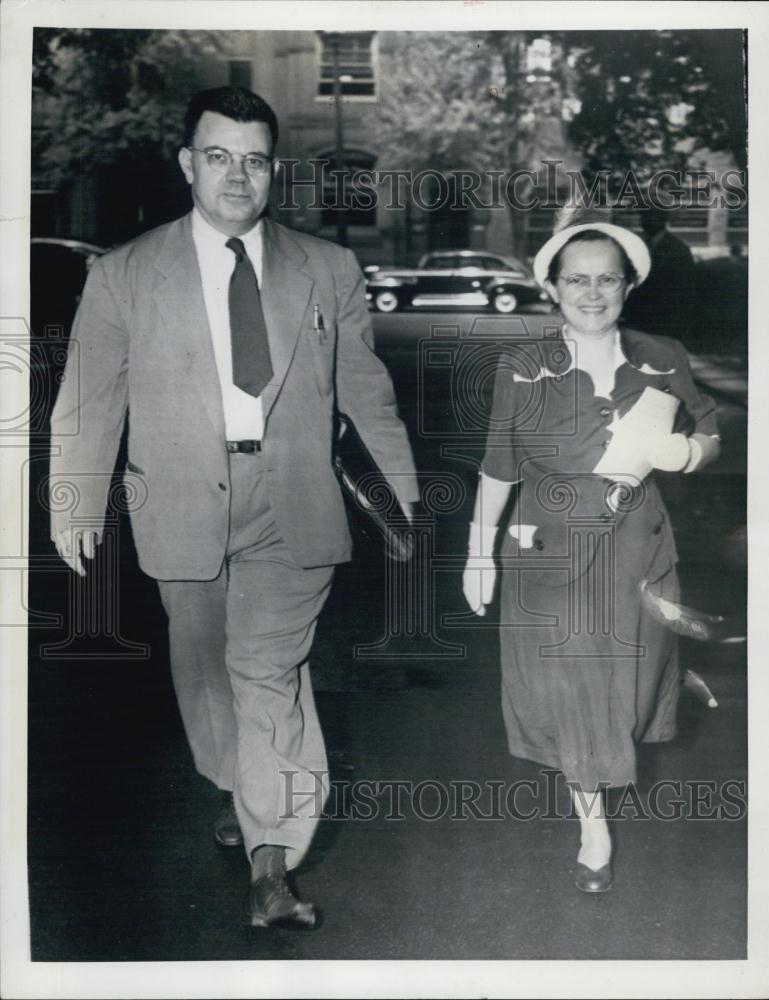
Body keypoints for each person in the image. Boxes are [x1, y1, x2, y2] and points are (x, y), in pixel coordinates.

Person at [49, 86, 419, 928]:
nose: (236, 176)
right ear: (188, 164)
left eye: (253, 160)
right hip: (177, 497)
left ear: (272, 171)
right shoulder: (124, 273)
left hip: (293, 499)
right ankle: (237, 785)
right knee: (206, 673)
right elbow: (88, 397)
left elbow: (369, 397)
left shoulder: (327, 269)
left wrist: (400, 500)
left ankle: (272, 861)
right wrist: (72, 500)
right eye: (218, 157)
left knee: (267, 675)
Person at [462, 210, 720, 893]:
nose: (591, 292)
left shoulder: (662, 357)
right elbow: (498, 466)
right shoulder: (522, 367)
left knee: (629, 694)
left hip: (639, 545)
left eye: (607, 278)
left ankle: (597, 778)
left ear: (627, 285)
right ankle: (592, 826)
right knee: (578, 686)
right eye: (575, 279)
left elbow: (709, 432)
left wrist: (688, 452)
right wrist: (477, 553)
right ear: (550, 287)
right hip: (549, 545)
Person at [622, 205, 696, 347]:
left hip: (665, 326)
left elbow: (685, 293)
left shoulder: (678, 250)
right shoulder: (637, 246)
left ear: (663, 219)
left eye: (652, 216)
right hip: (637, 323)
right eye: (644, 216)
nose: (646, 220)